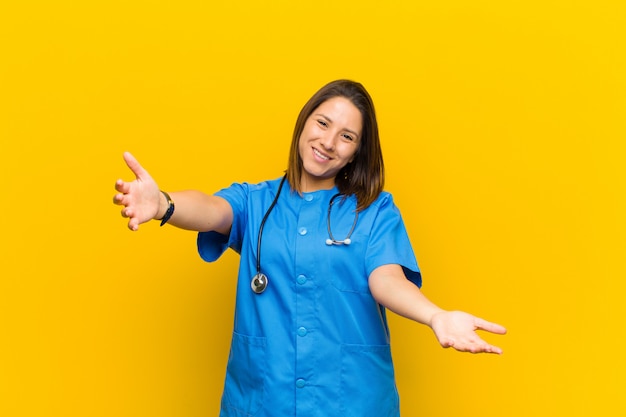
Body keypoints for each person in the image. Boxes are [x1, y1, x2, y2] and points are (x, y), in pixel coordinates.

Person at [113, 79, 506, 417]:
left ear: (356, 152)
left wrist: (435, 316)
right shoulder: (256, 203)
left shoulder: (374, 211)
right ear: (304, 122)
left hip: (351, 401)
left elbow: (386, 278)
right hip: (264, 400)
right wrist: (164, 204)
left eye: (347, 137)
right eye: (323, 123)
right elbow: (212, 210)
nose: (329, 142)